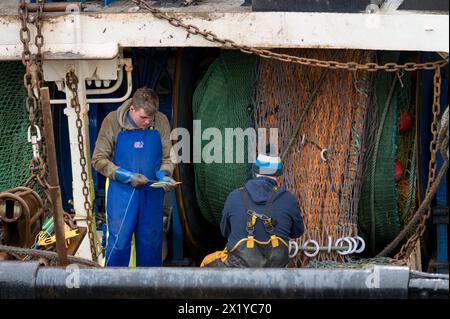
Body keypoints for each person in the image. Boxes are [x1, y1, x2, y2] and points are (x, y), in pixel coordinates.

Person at [92, 87, 175, 267]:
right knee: (119, 243)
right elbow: (98, 160)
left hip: (152, 193)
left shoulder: (160, 121)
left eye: (150, 118)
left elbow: (168, 158)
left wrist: (164, 174)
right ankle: (113, 287)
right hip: (121, 192)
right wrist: (127, 176)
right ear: (132, 109)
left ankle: (149, 289)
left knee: (151, 244)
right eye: (143, 118)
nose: (147, 122)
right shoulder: (113, 121)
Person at [201, 145, 305, 267]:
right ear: (278, 174)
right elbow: (297, 232)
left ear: (255, 172)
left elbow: (225, 231)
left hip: (238, 271)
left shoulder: (234, 196)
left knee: (206, 263)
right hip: (276, 273)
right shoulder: (289, 199)